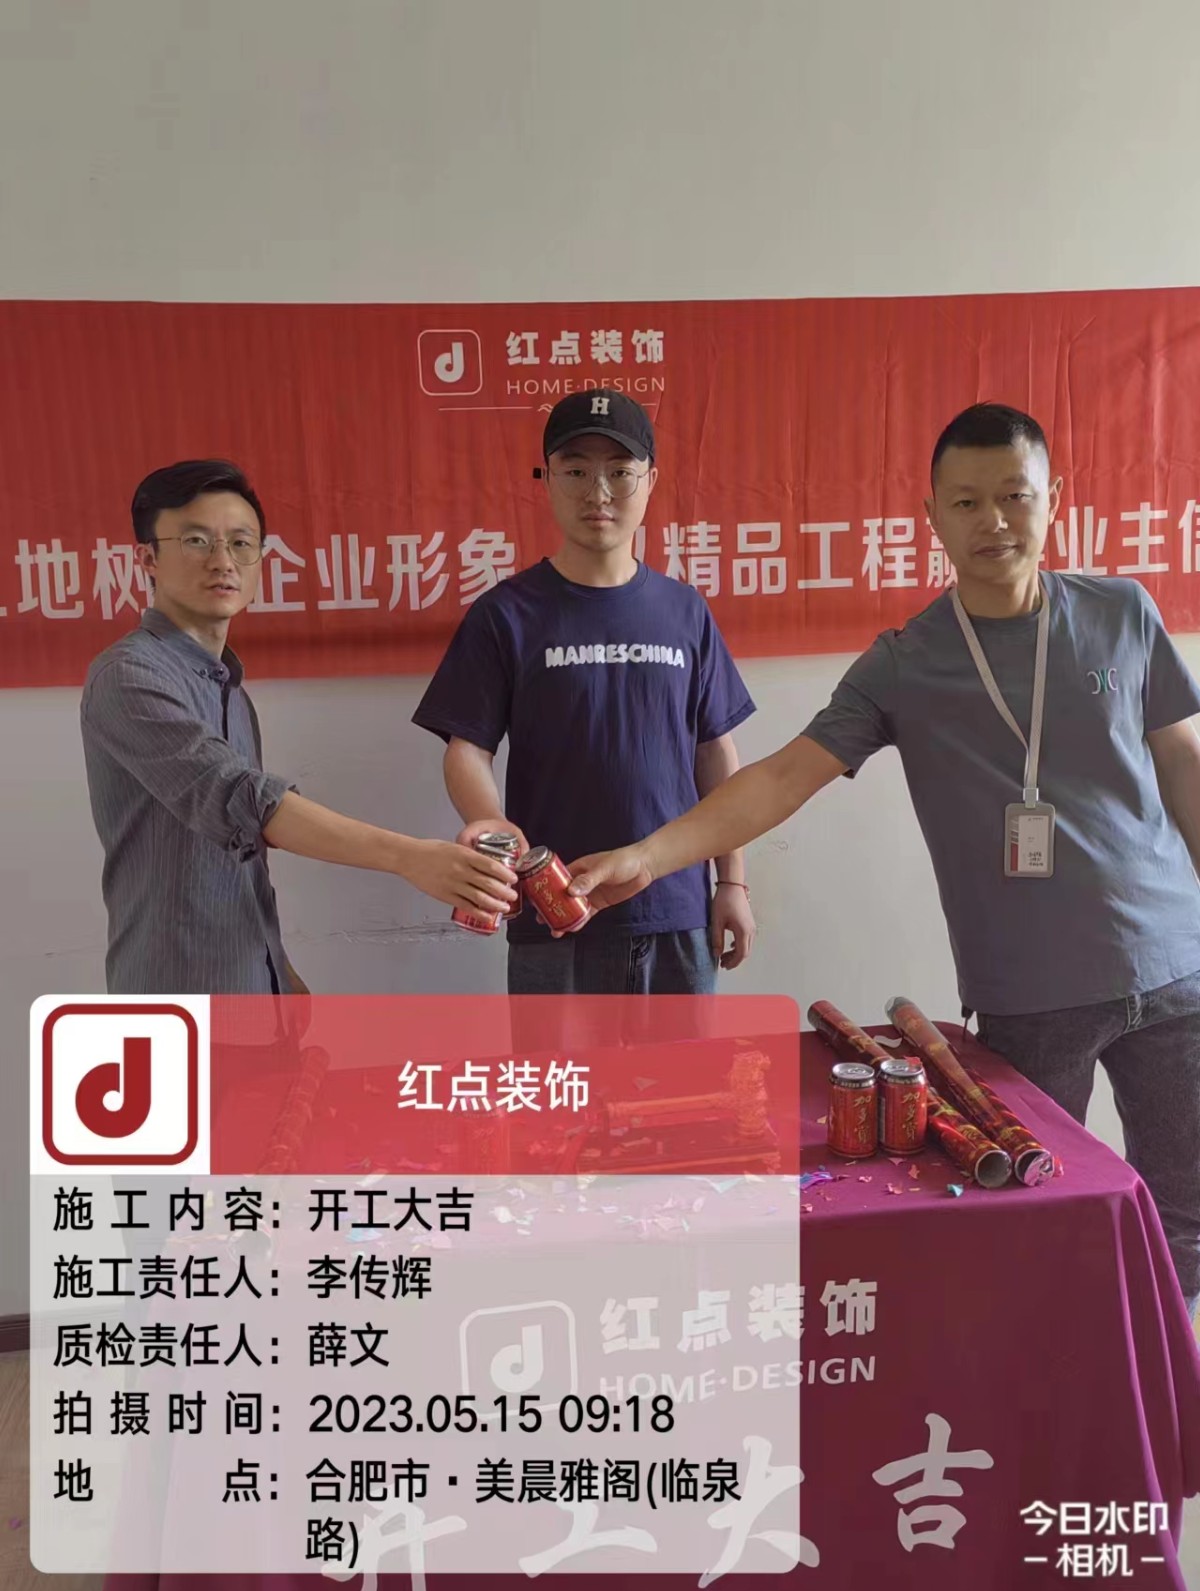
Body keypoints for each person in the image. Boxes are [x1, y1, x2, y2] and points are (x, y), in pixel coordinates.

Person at [569, 402, 1200, 1318]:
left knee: (1185, 1216)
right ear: (932, 514)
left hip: (1178, 971)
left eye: (1015, 495)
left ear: (1054, 499)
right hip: (1033, 998)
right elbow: (783, 776)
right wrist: (650, 855)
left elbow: (1184, 765)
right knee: (1028, 1216)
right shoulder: (906, 662)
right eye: (967, 502)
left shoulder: (1121, 612)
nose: (994, 521)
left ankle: (1167, 1390)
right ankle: (1047, 1383)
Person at [82, 459, 516, 994]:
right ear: (147, 558)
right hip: (176, 997)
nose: (223, 561)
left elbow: (242, 854)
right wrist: (410, 858)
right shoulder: (128, 676)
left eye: (241, 543)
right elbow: (245, 800)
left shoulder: (231, 691)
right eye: (196, 541)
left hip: (255, 989)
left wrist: (277, 970)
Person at [412, 388, 757, 995]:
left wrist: (731, 881)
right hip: (553, 907)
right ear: (546, 480)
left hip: (677, 907)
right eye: (575, 472)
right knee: (556, 1064)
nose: (598, 493)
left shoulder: (685, 611)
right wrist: (492, 827)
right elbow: (467, 747)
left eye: (619, 473)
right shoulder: (505, 614)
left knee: (687, 1063)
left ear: (651, 481)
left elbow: (714, 753)